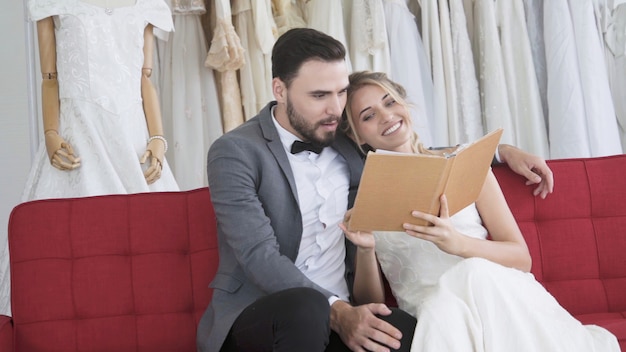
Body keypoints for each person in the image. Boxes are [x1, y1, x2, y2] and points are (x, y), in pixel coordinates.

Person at [196, 27, 555, 352]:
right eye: (319, 95)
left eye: (340, 93)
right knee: (305, 307)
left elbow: (411, 151)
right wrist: (337, 310)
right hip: (268, 313)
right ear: (280, 89)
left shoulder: (342, 137)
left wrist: (499, 152)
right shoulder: (235, 152)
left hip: (346, 311)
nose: (334, 109)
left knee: (405, 332)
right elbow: (260, 257)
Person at [340, 70, 620, 352]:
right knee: (445, 304)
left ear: (404, 103)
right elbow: (369, 302)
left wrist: (458, 243)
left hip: (499, 296)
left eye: (390, 102)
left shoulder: (468, 165)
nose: (386, 116)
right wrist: (365, 249)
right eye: (368, 115)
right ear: (357, 136)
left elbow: (521, 259)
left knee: (473, 272)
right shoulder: (366, 198)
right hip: (437, 317)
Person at [22, 0, 179, 201]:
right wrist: (50, 132)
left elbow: (144, 78)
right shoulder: (51, 3)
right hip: (78, 136)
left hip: (133, 141)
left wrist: (158, 137)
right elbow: (49, 78)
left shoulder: (147, 5)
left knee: (142, 222)